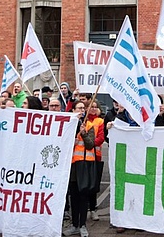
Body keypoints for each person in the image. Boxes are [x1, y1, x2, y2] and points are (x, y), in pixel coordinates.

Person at [64, 101, 95, 237]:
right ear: (73, 110)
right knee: (74, 197)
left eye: (83, 108)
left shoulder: (89, 125)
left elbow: (90, 145)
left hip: (84, 165)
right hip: (71, 166)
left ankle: (82, 225)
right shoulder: (68, 125)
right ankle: (74, 224)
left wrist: (83, 134)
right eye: (79, 108)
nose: (82, 110)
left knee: (83, 196)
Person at [86, 101, 105, 222]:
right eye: (91, 107)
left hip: (95, 157)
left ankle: (93, 209)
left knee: (93, 185)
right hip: (82, 157)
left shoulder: (100, 121)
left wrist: (91, 144)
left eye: (95, 107)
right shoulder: (83, 120)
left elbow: (101, 137)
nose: (93, 109)